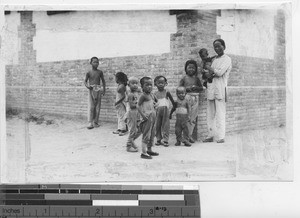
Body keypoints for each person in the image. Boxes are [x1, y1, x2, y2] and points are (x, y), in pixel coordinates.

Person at [203, 39, 232, 143]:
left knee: (220, 113)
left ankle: (220, 137)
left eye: (219, 46)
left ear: (224, 46)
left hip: (220, 89)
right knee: (210, 114)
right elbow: (208, 74)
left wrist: (210, 70)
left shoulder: (227, 59)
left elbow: (219, 73)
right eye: (215, 47)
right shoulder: (214, 60)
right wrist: (209, 72)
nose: (217, 48)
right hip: (211, 88)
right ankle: (210, 135)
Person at [179, 60, 203, 143]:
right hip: (187, 98)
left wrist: (196, 87)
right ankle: (184, 136)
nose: (191, 69)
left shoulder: (196, 79)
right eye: (189, 67)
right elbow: (179, 89)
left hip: (195, 98)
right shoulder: (184, 78)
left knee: (193, 118)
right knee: (186, 117)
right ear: (186, 68)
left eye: (193, 68)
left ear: (195, 69)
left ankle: (189, 135)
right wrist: (186, 89)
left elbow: (201, 88)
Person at [138, 77, 159, 159]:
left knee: (152, 134)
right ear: (142, 86)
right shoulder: (143, 96)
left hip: (153, 116)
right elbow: (138, 106)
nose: (149, 87)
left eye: (151, 85)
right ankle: (143, 152)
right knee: (146, 135)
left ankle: (149, 150)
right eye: (147, 85)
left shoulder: (152, 94)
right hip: (147, 118)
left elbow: (156, 102)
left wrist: (155, 105)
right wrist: (143, 115)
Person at [153, 75, 175, 147]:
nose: (161, 84)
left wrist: (171, 112)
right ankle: (158, 139)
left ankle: (165, 140)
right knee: (157, 125)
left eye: (162, 83)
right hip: (158, 112)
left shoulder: (167, 92)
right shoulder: (155, 94)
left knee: (166, 126)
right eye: (159, 83)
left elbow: (173, 102)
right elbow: (153, 104)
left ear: (165, 83)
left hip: (166, 112)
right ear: (155, 84)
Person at [84, 57, 106, 129]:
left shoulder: (100, 72)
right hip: (91, 89)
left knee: (97, 106)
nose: (96, 63)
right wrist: (87, 86)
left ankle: (95, 122)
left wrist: (104, 89)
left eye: (97, 62)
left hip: (98, 88)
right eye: (94, 62)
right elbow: (85, 81)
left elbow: (103, 81)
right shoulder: (89, 72)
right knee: (91, 106)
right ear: (91, 63)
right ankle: (90, 122)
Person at [125, 77, 142, 152]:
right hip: (132, 113)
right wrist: (139, 103)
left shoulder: (136, 93)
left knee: (139, 130)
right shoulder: (130, 94)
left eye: (136, 83)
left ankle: (132, 141)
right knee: (133, 130)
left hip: (137, 113)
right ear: (129, 84)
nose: (135, 85)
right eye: (133, 83)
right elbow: (132, 106)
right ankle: (128, 146)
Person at [113, 72, 128, 136]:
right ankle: (119, 128)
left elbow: (123, 96)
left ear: (118, 78)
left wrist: (118, 102)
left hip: (121, 103)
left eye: (115, 78)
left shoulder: (121, 86)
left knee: (122, 116)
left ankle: (123, 129)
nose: (115, 79)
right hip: (118, 104)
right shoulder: (120, 85)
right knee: (119, 116)